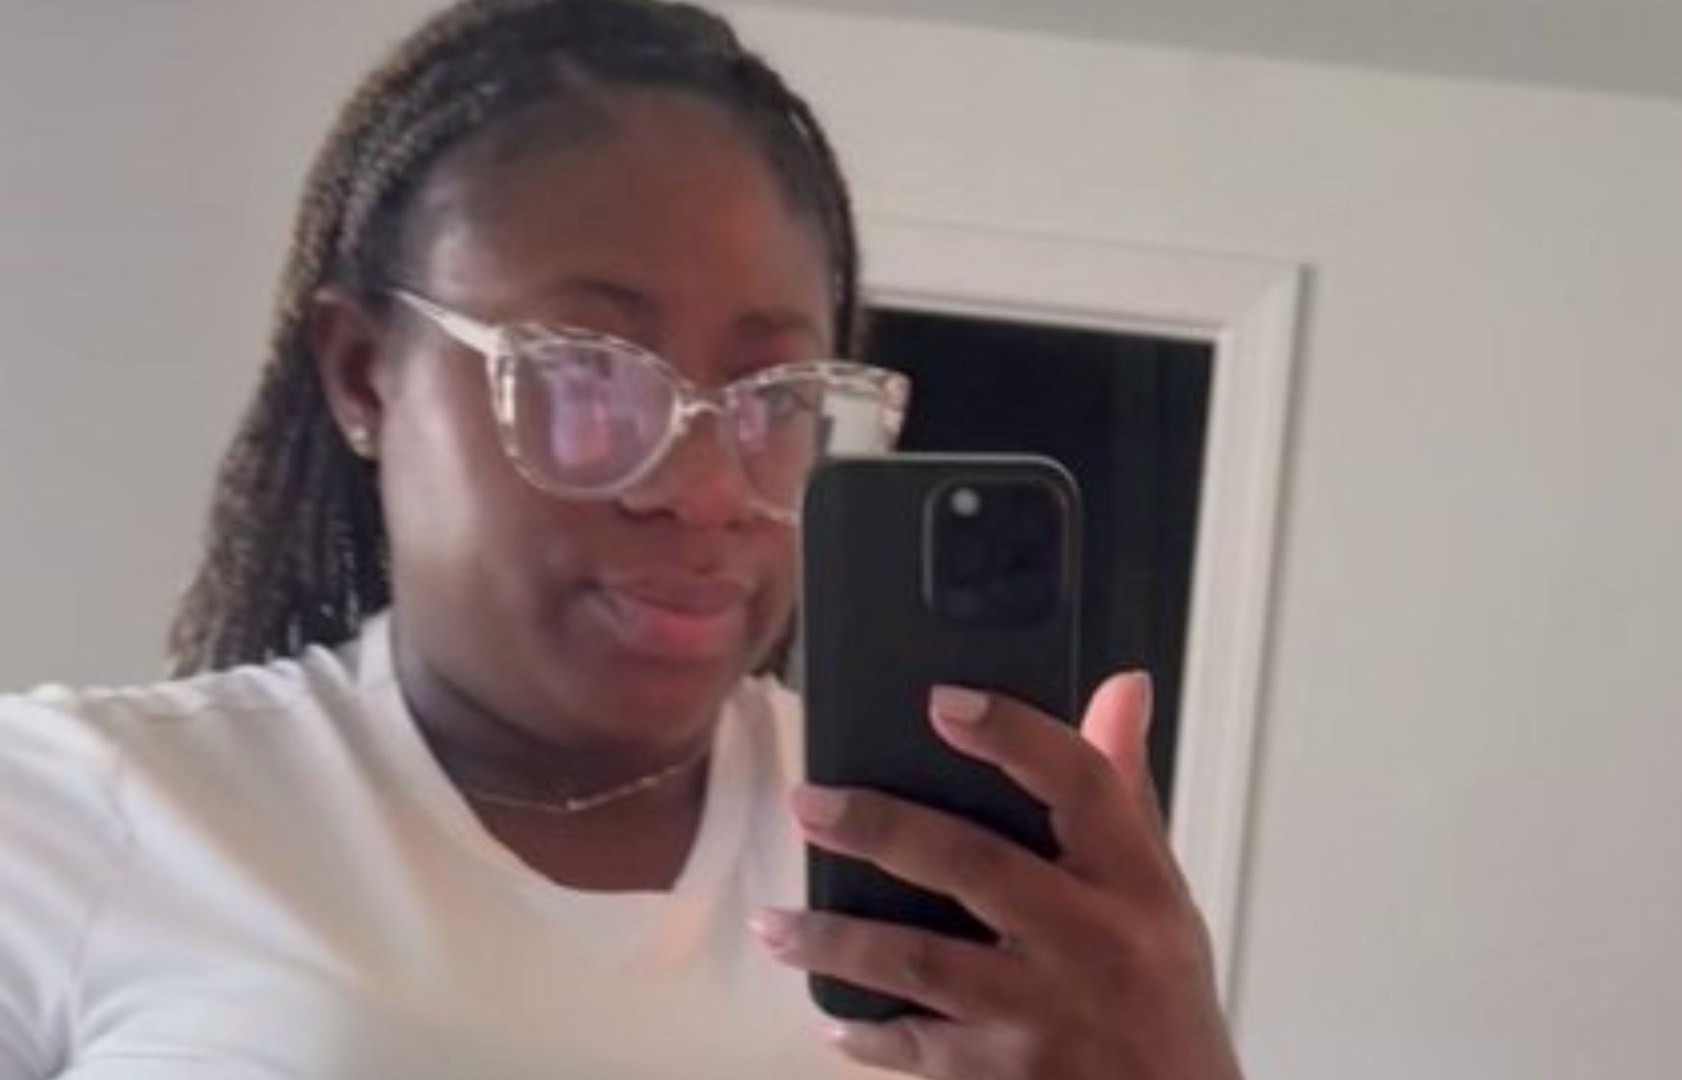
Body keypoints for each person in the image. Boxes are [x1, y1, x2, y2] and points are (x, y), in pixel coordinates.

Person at [0, 1, 1244, 1077]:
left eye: (775, 400)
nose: (703, 490)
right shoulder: (72, 810)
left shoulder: (954, 867)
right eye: (586, 377)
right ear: (366, 374)